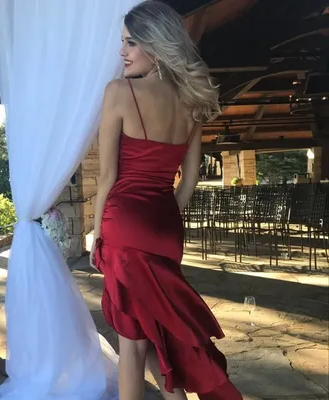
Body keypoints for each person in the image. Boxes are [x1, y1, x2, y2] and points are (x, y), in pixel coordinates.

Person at [90, 1, 243, 399]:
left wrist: (96, 232)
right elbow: (189, 181)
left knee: (132, 343)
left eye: (130, 43)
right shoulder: (193, 102)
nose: (122, 52)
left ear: (156, 46)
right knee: (162, 332)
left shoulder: (119, 92)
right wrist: (162, 216)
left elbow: (107, 177)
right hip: (166, 227)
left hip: (124, 223)